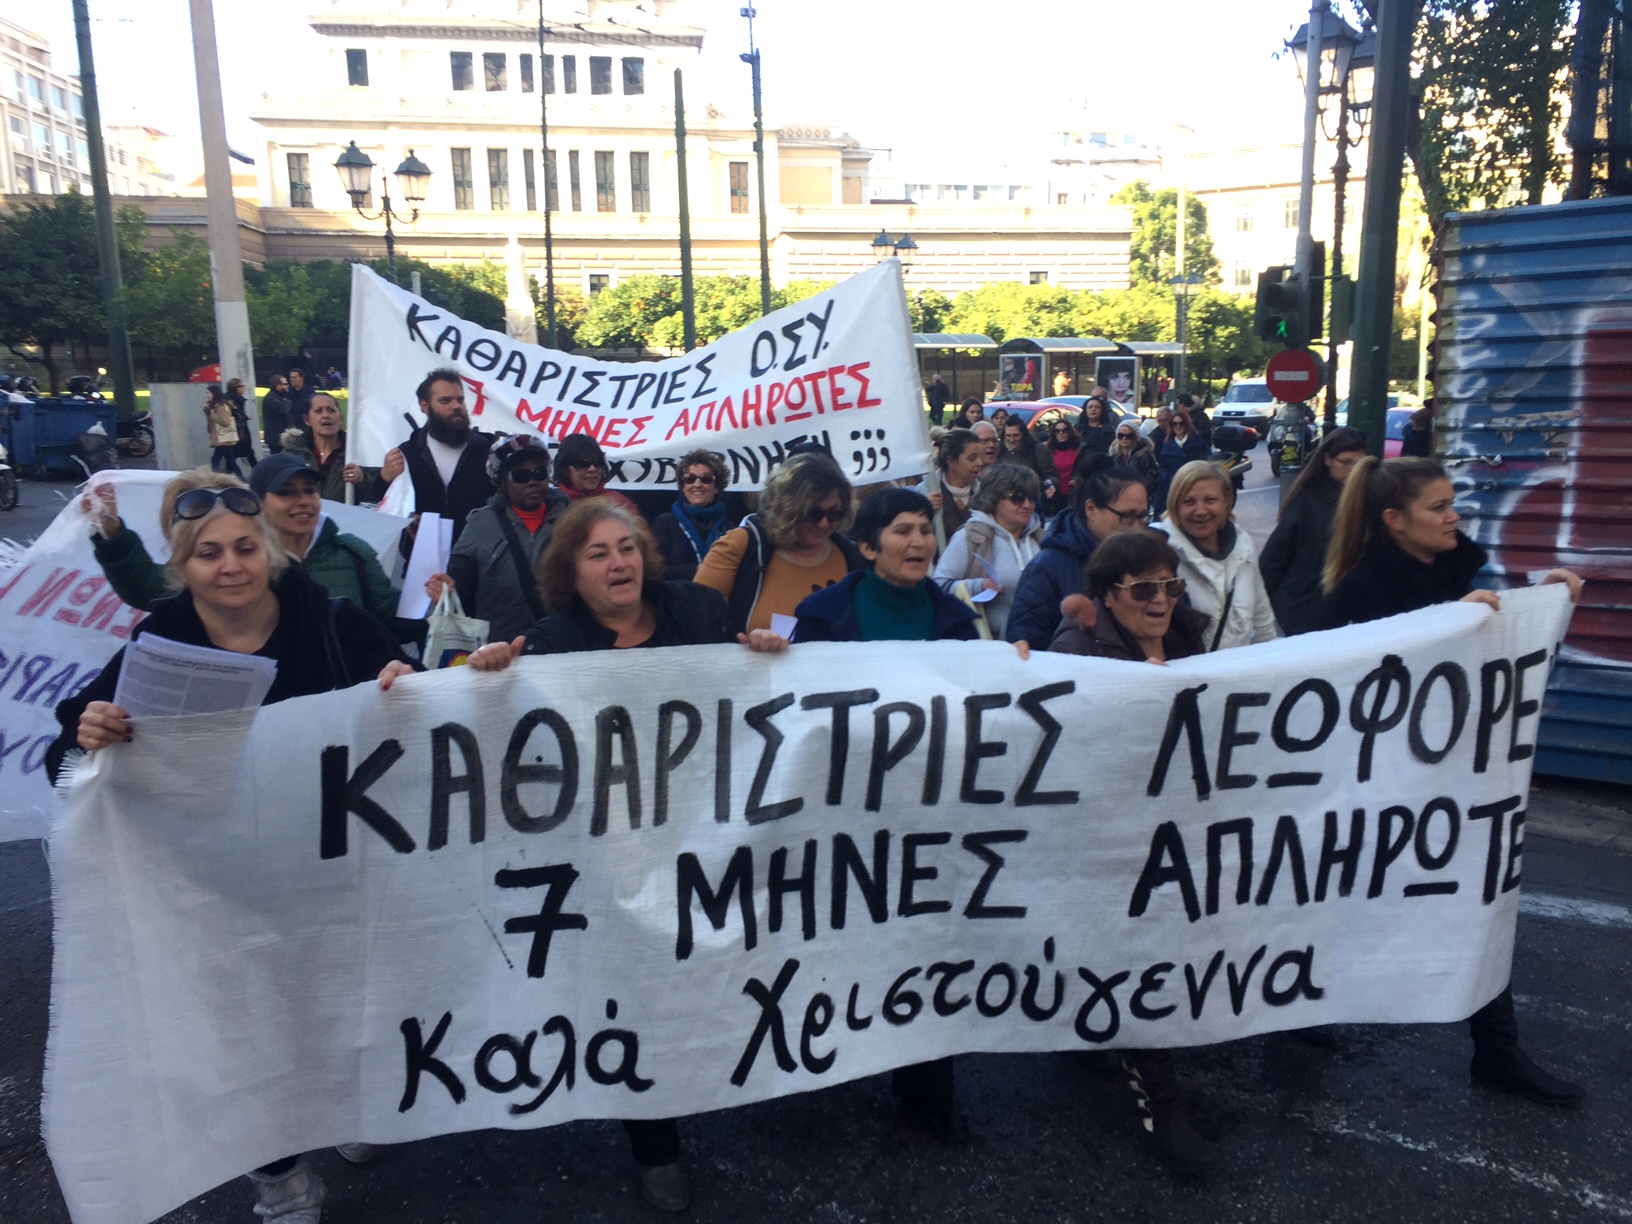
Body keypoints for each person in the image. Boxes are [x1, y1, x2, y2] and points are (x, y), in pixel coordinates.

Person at [46, 468, 419, 1224]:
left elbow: (418, 703)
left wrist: (408, 687)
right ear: (180, 567)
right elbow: (75, 760)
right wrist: (91, 735)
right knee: (240, 1036)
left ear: (271, 550)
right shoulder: (157, 642)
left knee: (336, 1015)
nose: (230, 566)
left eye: (245, 547)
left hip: (332, 874)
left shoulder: (338, 625)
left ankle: (339, 1111)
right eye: (208, 553)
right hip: (213, 886)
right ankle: (279, 1175)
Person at [458, 500, 788, 1211]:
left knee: (704, 975)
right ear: (570, 574)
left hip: (702, 835)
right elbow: (501, 731)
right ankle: (655, 1142)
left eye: (628, 547)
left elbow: (743, 692)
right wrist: (482, 672)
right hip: (607, 853)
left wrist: (757, 651)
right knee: (634, 988)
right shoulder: (550, 641)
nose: (619, 562)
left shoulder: (696, 613)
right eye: (599, 553)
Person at [1319, 456, 1585, 1108]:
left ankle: (1497, 1051)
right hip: (1384, 789)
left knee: (1477, 897)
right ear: (1393, 520)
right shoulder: (1359, 592)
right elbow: (1350, 689)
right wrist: (1441, 625)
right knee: (1343, 895)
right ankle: (1305, 1003)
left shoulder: (1448, 568)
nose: (1453, 515)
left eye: (1451, 501)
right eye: (1438, 507)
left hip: (1454, 783)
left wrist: (1545, 600)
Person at [1048, 527, 1219, 1177]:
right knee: (1141, 956)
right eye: (1144, 588)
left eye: (1170, 585)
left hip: (1174, 827)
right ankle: (1164, 1113)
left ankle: (1083, 1026)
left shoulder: (1187, 637)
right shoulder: (1080, 647)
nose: (1161, 599)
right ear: (1107, 595)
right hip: (1108, 837)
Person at [82, 455, 420, 643]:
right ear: (256, 503)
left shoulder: (353, 555)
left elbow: (391, 624)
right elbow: (149, 588)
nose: (303, 501)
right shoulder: (244, 571)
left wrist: (438, 604)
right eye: (287, 492)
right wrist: (113, 535)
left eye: (309, 490)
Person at [694, 450, 864, 634]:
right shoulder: (740, 545)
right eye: (812, 513)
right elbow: (693, 617)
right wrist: (745, 643)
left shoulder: (851, 555)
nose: (824, 523)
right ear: (787, 510)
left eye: (834, 513)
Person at [426, 435, 568, 644]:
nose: (532, 481)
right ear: (501, 483)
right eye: (520, 476)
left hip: (561, 648)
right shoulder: (479, 524)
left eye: (539, 473)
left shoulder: (573, 519)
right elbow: (459, 582)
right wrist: (445, 589)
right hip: (500, 654)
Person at [1005, 454, 1149, 647]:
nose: (1137, 527)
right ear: (1091, 508)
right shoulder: (1048, 566)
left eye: (1142, 516)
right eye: (1127, 516)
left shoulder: (1152, 557)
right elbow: (1026, 642)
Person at [1154, 461, 1278, 650]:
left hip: (1237, 674)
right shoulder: (1159, 550)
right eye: (1189, 502)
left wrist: (1274, 661)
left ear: (1226, 500)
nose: (1201, 511)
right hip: (1190, 676)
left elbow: (1262, 617)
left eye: (1210, 500)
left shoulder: (1243, 545)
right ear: (1175, 505)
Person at [1258, 426, 1367, 635]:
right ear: (1327, 459)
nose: (1353, 471)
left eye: (1359, 464)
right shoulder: (1308, 499)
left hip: (1340, 610)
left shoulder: (1367, 496)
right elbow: (1275, 555)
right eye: (1346, 463)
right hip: (1303, 609)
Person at [374, 368, 497, 542]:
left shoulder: (488, 451)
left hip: (479, 559)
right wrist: (384, 479)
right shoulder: (407, 454)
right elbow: (378, 510)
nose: (456, 406)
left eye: (460, 399)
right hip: (423, 559)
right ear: (425, 406)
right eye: (445, 401)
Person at [932, 463, 1043, 640]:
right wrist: (977, 586)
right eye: (1017, 498)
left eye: (1032, 497)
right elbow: (938, 586)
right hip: (993, 647)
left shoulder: (1040, 538)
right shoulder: (970, 537)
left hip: (1042, 644)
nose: (1027, 504)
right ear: (994, 499)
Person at [649, 449, 738, 581]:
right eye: (690, 479)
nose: (697, 484)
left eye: (706, 479)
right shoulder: (665, 524)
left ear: (717, 486)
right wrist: (694, 570)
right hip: (676, 600)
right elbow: (653, 572)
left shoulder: (730, 530)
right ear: (683, 486)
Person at [279, 393, 373, 502]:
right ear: (307, 420)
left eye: (331, 410)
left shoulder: (357, 451)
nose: (326, 415)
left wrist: (362, 481)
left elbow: (378, 493)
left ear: (340, 417)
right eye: (318, 411)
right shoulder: (292, 453)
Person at [925, 427, 986, 543]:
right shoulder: (925, 492)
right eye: (972, 458)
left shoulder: (985, 492)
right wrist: (923, 510)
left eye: (980, 457)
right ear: (951, 461)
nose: (980, 463)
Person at [554, 432, 641, 514]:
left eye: (597, 462)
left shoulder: (620, 504)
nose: (592, 469)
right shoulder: (553, 505)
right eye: (583, 464)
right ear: (565, 468)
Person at [1154, 408, 1209, 510]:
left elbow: (1206, 464)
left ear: (1187, 424)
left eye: (1181, 423)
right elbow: (1162, 466)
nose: (1178, 426)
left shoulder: (1198, 442)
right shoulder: (1167, 444)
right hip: (1172, 486)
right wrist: (1168, 478)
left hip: (1193, 486)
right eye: (1175, 424)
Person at [1109, 419, 1160, 497]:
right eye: (1121, 435)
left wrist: (1137, 490)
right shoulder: (1112, 455)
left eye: (1129, 436)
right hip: (1116, 496)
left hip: (1137, 496)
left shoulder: (1144, 455)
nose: (1124, 438)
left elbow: (1153, 479)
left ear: (1135, 437)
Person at [204, 384, 244, 478]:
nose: (206, 395)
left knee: (215, 460)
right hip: (223, 439)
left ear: (214, 394)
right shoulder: (214, 406)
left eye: (208, 393)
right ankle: (241, 479)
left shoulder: (221, 406)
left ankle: (216, 479)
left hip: (223, 439)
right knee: (231, 461)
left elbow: (225, 422)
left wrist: (212, 415)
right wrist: (207, 409)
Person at [1043, 419, 1082, 514]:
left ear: (1070, 432)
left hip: (1073, 493)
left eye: (1064, 430)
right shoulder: (1047, 450)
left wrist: (1078, 479)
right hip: (1053, 493)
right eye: (1057, 431)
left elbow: (1084, 470)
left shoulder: (1079, 449)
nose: (1061, 433)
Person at [226, 378, 258, 470]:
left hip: (240, 429)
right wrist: (244, 417)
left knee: (235, 454)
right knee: (246, 452)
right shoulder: (232, 399)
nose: (243, 388)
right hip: (237, 430)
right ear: (234, 387)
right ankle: (256, 471)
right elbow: (234, 414)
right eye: (240, 386)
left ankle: (231, 473)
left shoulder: (238, 399)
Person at [261, 374, 297, 455]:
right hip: (276, 437)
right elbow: (284, 408)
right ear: (277, 386)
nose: (287, 386)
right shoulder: (271, 398)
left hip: (283, 436)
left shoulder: (281, 397)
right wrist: (288, 401)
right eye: (285, 384)